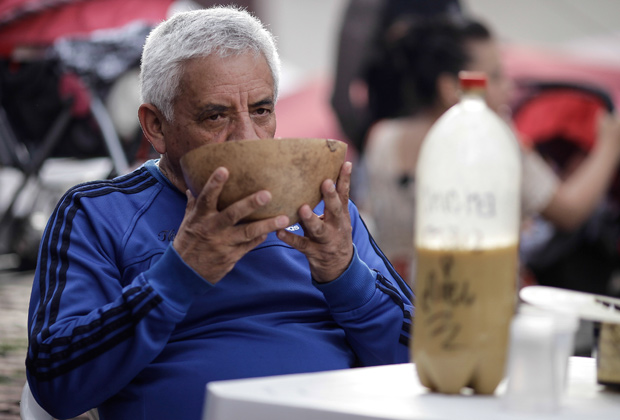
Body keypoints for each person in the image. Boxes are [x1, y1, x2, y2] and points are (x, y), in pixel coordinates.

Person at [25, 7, 413, 420]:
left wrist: (344, 274)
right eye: (215, 116)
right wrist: (179, 275)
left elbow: (419, 363)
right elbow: (55, 381)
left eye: (261, 111)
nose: (247, 138)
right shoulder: (99, 214)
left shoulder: (321, 210)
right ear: (156, 126)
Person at [358, 16, 620, 282]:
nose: (509, 86)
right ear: (451, 88)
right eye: (495, 76)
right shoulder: (496, 143)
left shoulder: (382, 137)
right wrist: (609, 145)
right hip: (479, 295)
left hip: (395, 295)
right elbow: (570, 212)